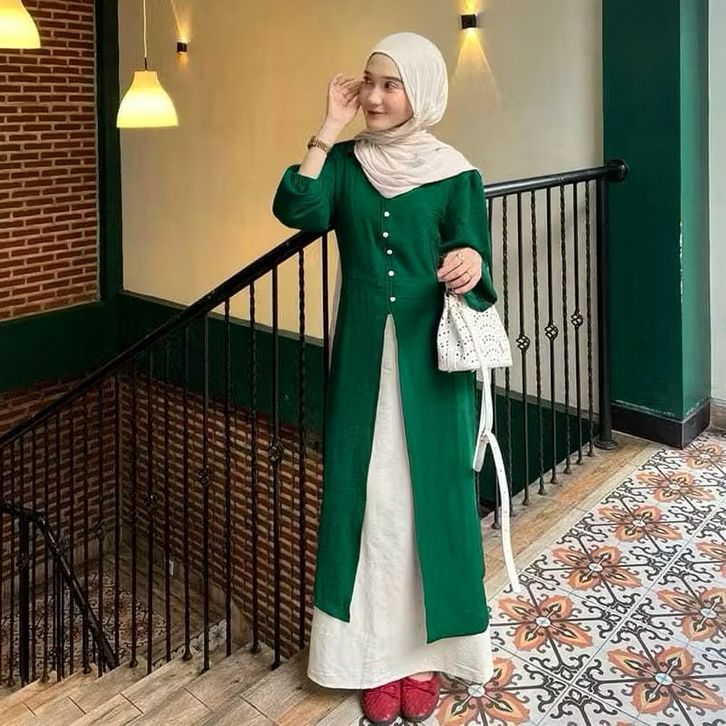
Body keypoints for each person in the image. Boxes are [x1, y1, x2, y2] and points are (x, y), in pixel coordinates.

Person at [273, 32, 499, 726]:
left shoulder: (456, 172)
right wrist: (327, 127)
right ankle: (368, 660)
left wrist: (471, 263)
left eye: (389, 85)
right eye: (368, 82)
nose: (373, 96)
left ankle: (427, 657)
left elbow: (476, 257)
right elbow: (297, 210)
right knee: (368, 503)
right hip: (363, 364)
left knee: (433, 501)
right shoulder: (345, 164)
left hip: (432, 366)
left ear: (419, 92)